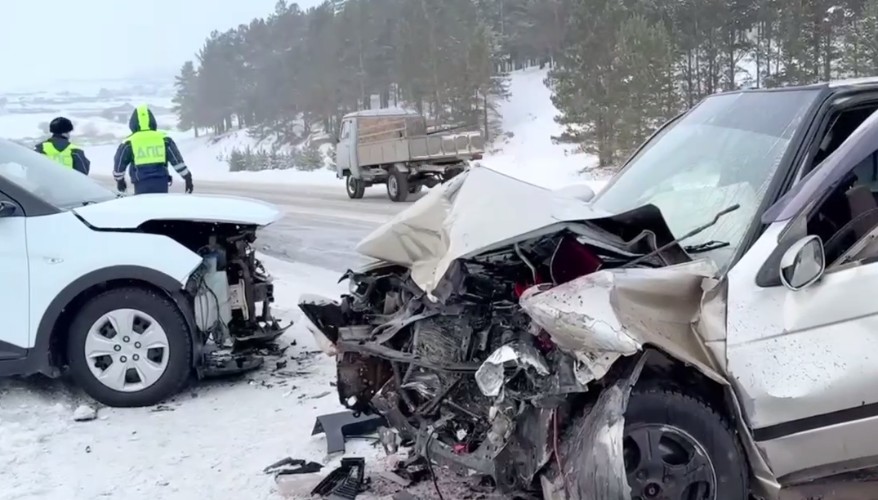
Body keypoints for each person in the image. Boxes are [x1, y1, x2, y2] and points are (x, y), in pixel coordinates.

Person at [113, 104, 193, 194]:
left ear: (133, 123)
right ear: (152, 121)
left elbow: (119, 163)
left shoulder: (129, 143)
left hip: (140, 183)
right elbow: (177, 160)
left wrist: (120, 180)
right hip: (161, 182)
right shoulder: (164, 139)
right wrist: (187, 177)